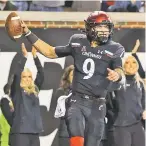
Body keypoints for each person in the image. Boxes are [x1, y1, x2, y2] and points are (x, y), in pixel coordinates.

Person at [20, 11, 125, 146]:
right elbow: (50, 52)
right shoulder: (78, 42)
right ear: (90, 28)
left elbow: (119, 68)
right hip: (77, 100)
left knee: (92, 143)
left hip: (97, 105)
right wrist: (28, 33)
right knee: (77, 139)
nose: (104, 31)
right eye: (100, 27)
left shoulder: (114, 48)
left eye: (106, 27)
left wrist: (117, 75)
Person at [9, 44, 44, 146]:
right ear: (20, 79)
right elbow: (16, 75)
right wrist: (24, 57)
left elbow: (41, 74)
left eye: (29, 76)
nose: (27, 79)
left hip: (34, 133)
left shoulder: (35, 90)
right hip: (20, 133)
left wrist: (35, 57)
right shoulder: (17, 91)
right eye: (24, 77)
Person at [110, 54, 145, 146]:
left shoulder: (140, 83)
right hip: (121, 125)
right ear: (122, 66)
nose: (131, 65)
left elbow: (143, 103)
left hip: (138, 124)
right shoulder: (117, 82)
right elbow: (109, 104)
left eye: (134, 62)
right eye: (127, 62)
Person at [55, 65, 74, 146]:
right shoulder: (61, 91)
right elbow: (64, 112)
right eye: (73, 75)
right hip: (66, 133)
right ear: (67, 77)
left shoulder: (84, 92)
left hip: (80, 133)